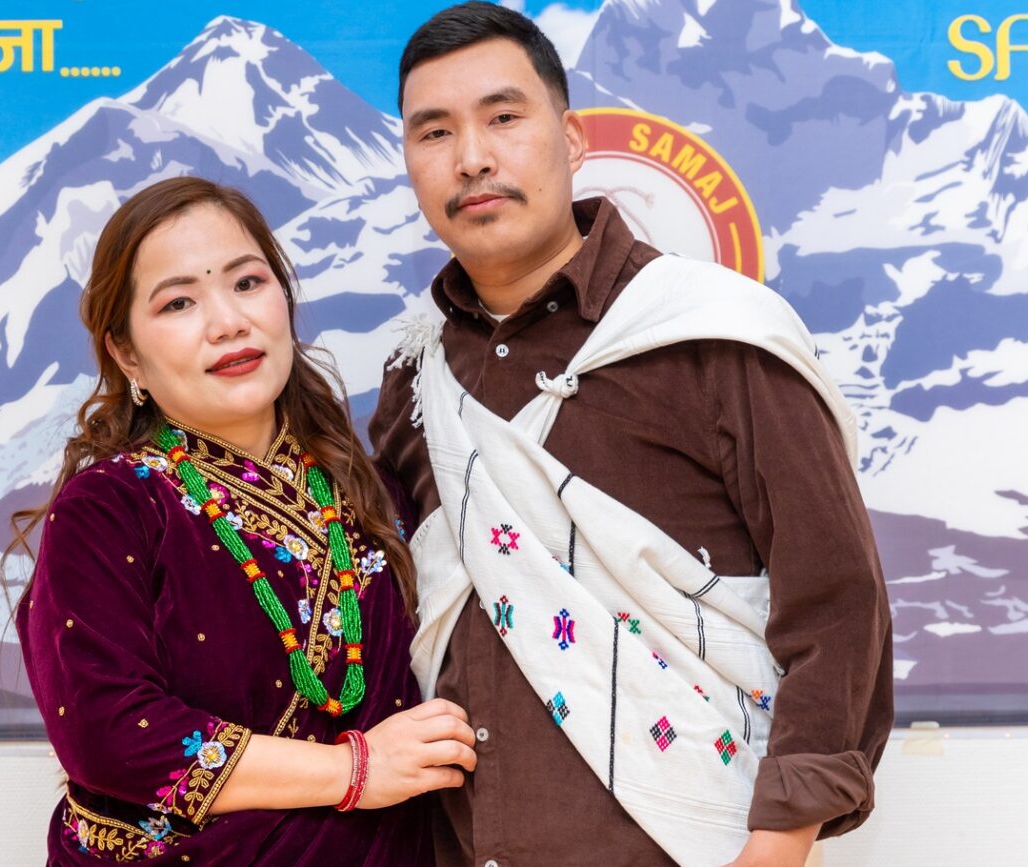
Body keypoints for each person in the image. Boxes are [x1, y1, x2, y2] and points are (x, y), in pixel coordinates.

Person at [369, 4, 894, 866]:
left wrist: (779, 843)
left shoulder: (712, 334)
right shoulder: (416, 376)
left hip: (697, 843)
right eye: (435, 132)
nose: (472, 157)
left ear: (572, 139)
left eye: (504, 117)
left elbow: (836, 600)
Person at [6, 177, 476, 865]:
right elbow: (108, 733)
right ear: (127, 354)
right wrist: (354, 770)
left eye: (248, 283)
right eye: (178, 302)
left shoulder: (373, 492)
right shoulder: (109, 509)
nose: (227, 321)